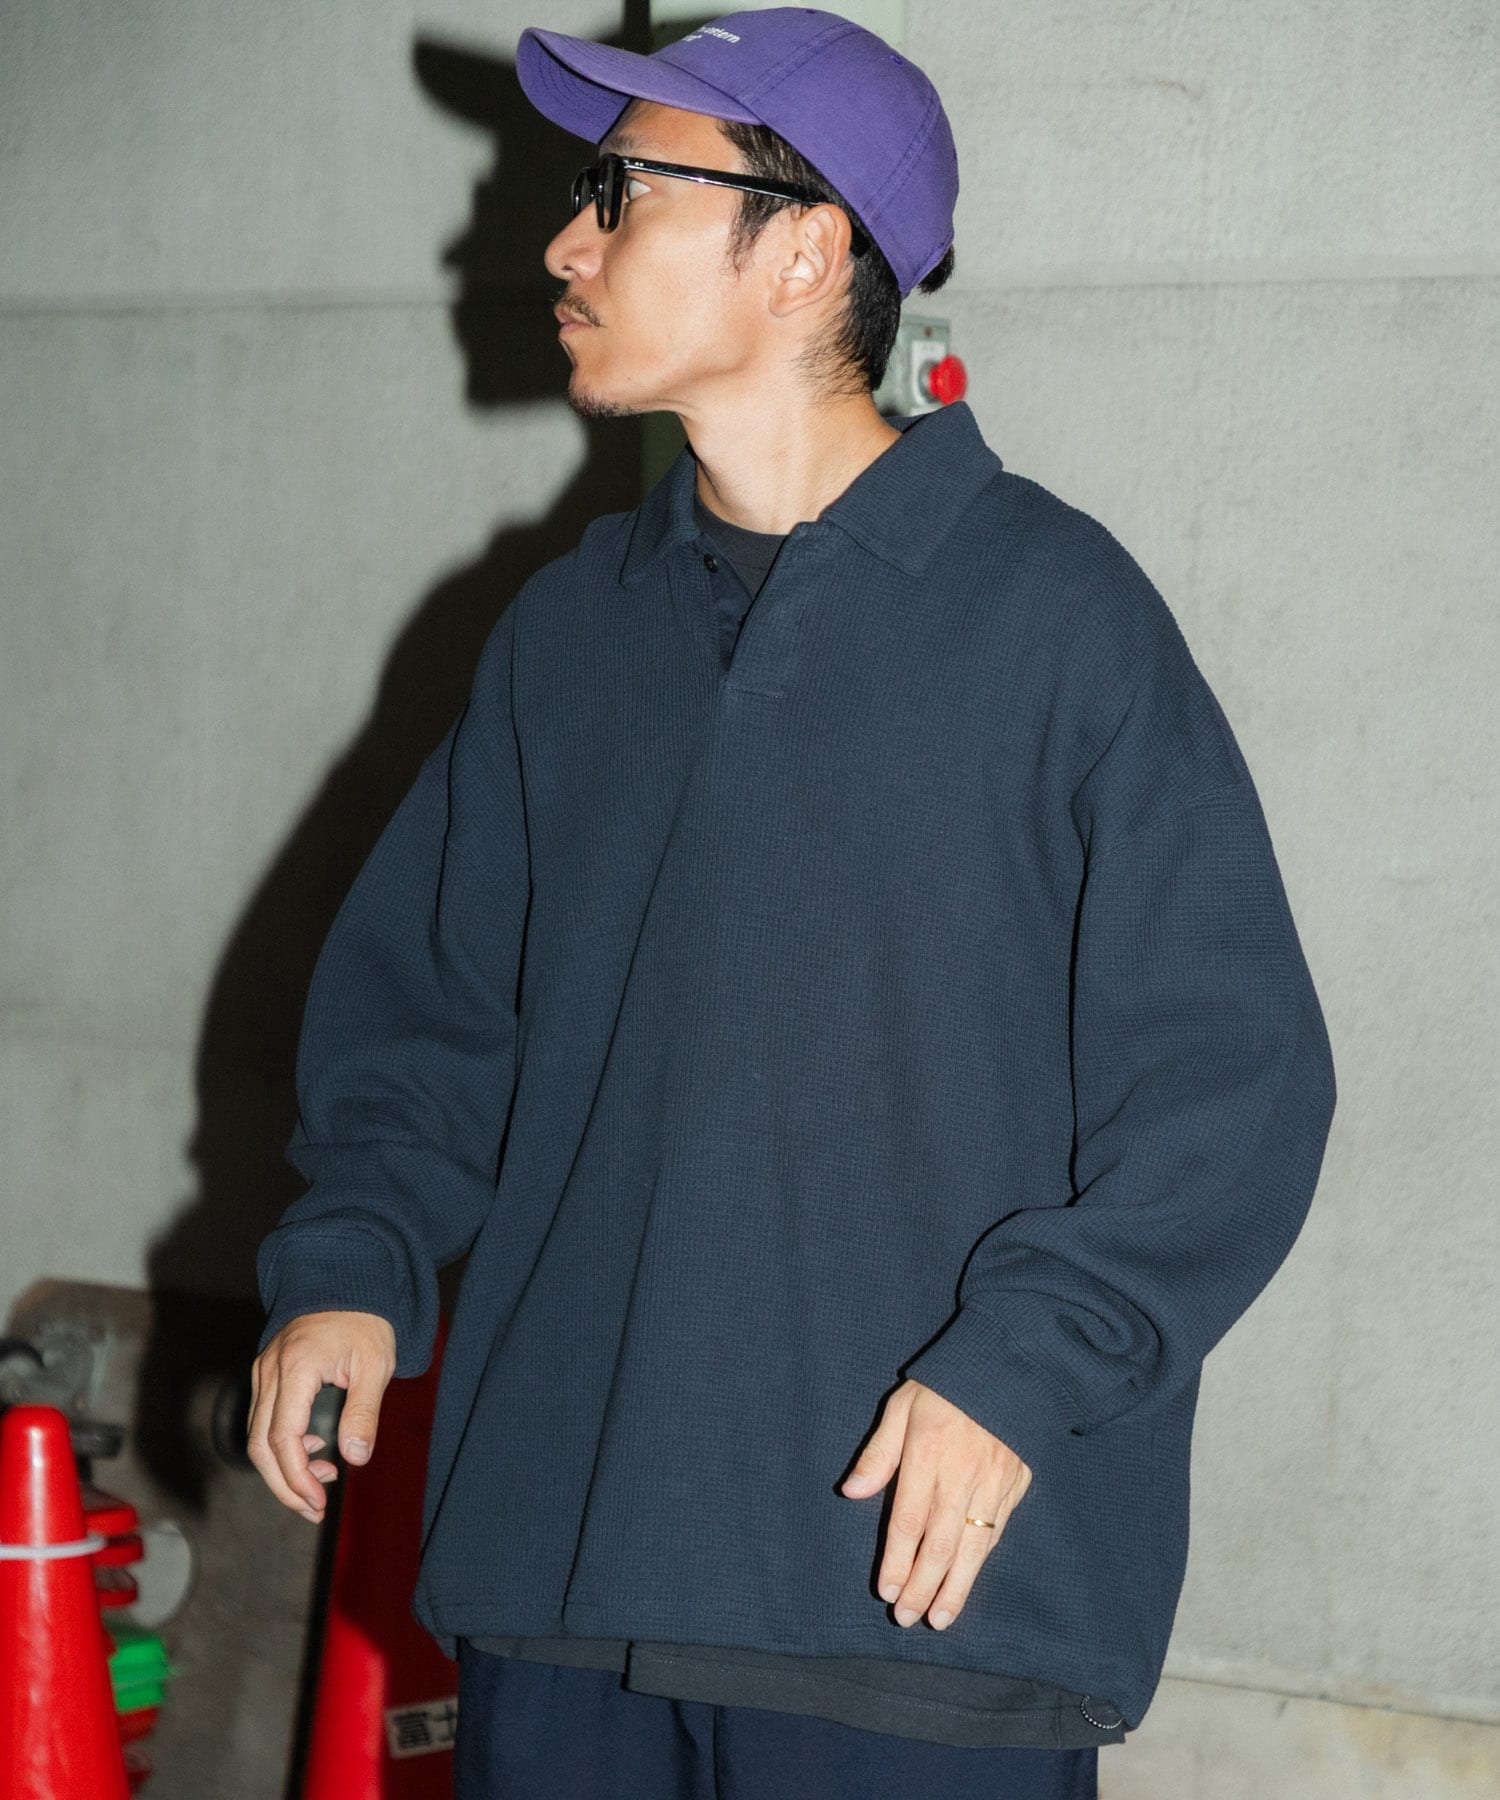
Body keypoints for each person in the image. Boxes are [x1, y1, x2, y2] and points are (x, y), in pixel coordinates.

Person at [247, 10, 1337, 1798]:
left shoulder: (1057, 623)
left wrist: (1023, 1366)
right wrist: (355, 1261)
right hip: (560, 1582)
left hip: (907, 1618)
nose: (563, 243)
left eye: (621, 192)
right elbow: (427, 1023)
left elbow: (1233, 1087)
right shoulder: (566, 635)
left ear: (807, 253)